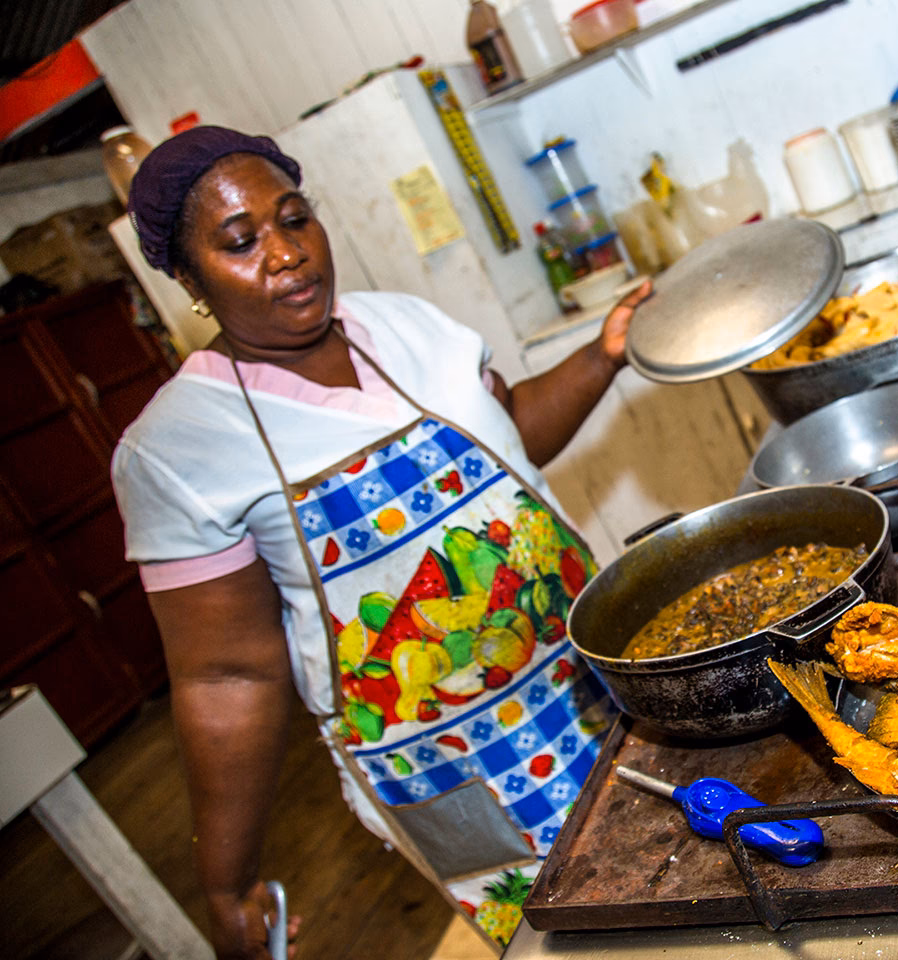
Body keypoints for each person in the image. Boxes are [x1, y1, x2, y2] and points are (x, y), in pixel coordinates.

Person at [112, 126, 651, 959]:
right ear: (187, 279)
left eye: (295, 218)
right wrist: (227, 880)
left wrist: (603, 357)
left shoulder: (404, 325)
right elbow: (227, 674)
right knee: (588, 940)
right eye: (240, 241)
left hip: (599, 679)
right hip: (453, 768)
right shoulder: (178, 449)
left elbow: (511, 442)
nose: (286, 253)